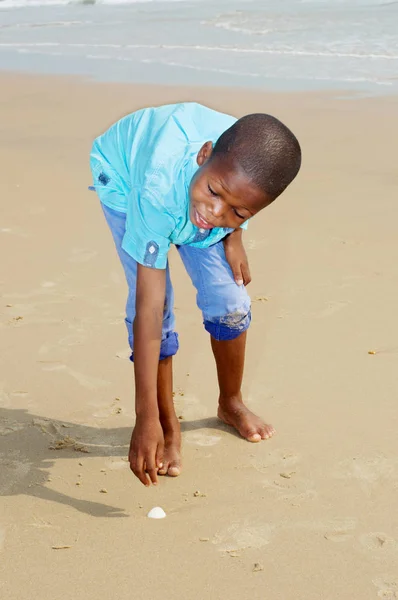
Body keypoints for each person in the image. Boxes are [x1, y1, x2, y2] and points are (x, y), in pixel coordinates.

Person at [90, 102, 301, 487]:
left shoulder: (233, 180)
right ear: (204, 155)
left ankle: (230, 403)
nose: (214, 214)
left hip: (189, 185)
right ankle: (169, 426)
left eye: (239, 213)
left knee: (231, 303)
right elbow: (149, 310)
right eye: (214, 193)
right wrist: (146, 417)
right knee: (160, 304)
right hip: (125, 178)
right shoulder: (155, 191)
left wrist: (234, 235)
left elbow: (231, 195)